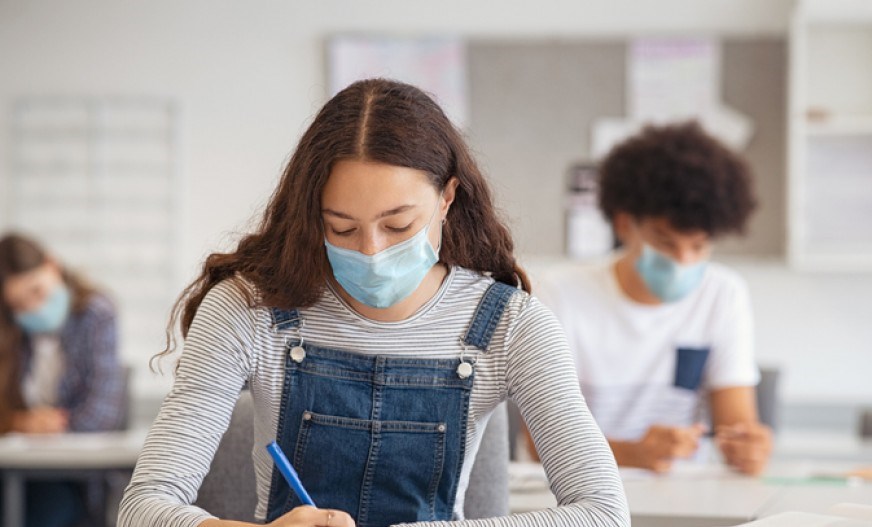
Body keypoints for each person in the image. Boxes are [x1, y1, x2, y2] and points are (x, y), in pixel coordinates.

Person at [117, 78, 629, 527]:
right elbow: (144, 507)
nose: (371, 251)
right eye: (341, 227)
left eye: (398, 226)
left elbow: (603, 511)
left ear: (447, 198)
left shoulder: (512, 326)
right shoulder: (247, 310)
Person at [535, 122, 772, 475]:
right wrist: (633, 453)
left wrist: (748, 448)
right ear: (624, 224)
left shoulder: (723, 295)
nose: (683, 261)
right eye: (665, 242)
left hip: (683, 500)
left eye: (698, 246)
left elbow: (735, 427)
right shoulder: (558, 294)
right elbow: (538, 443)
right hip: (579, 495)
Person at [0, 232, 126, 527]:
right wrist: (21, 423)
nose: (31, 308)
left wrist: (57, 425)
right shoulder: (11, 332)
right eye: (18, 304)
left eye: (37, 291)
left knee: (40, 511)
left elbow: (102, 415)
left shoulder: (97, 314)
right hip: (15, 471)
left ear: (52, 266)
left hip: (72, 478)